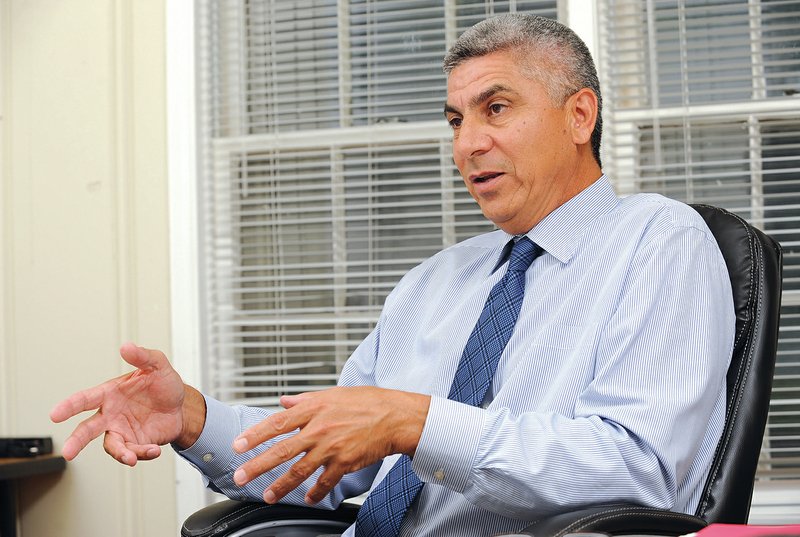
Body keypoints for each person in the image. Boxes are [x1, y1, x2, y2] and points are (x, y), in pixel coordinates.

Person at [50, 13, 735, 537]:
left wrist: (416, 421)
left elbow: (638, 471)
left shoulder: (659, 241)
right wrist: (193, 418)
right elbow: (327, 453)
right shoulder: (434, 282)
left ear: (579, 114)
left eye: (496, 109)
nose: (467, 143)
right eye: (455, 119)